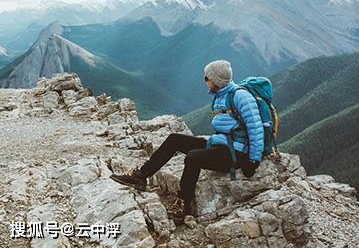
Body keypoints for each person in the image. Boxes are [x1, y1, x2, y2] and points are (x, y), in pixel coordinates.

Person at [109, 60, 264, 225]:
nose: (205, 80)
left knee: (193, 157)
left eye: (207, 77)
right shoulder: (222, 94)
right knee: (175, 139)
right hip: (221, 145)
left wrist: (253, 160)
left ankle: (185, 206)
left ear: (216, 81)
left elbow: (256, 127)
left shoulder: (241, 96)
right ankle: (141, 176)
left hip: (236, 154)